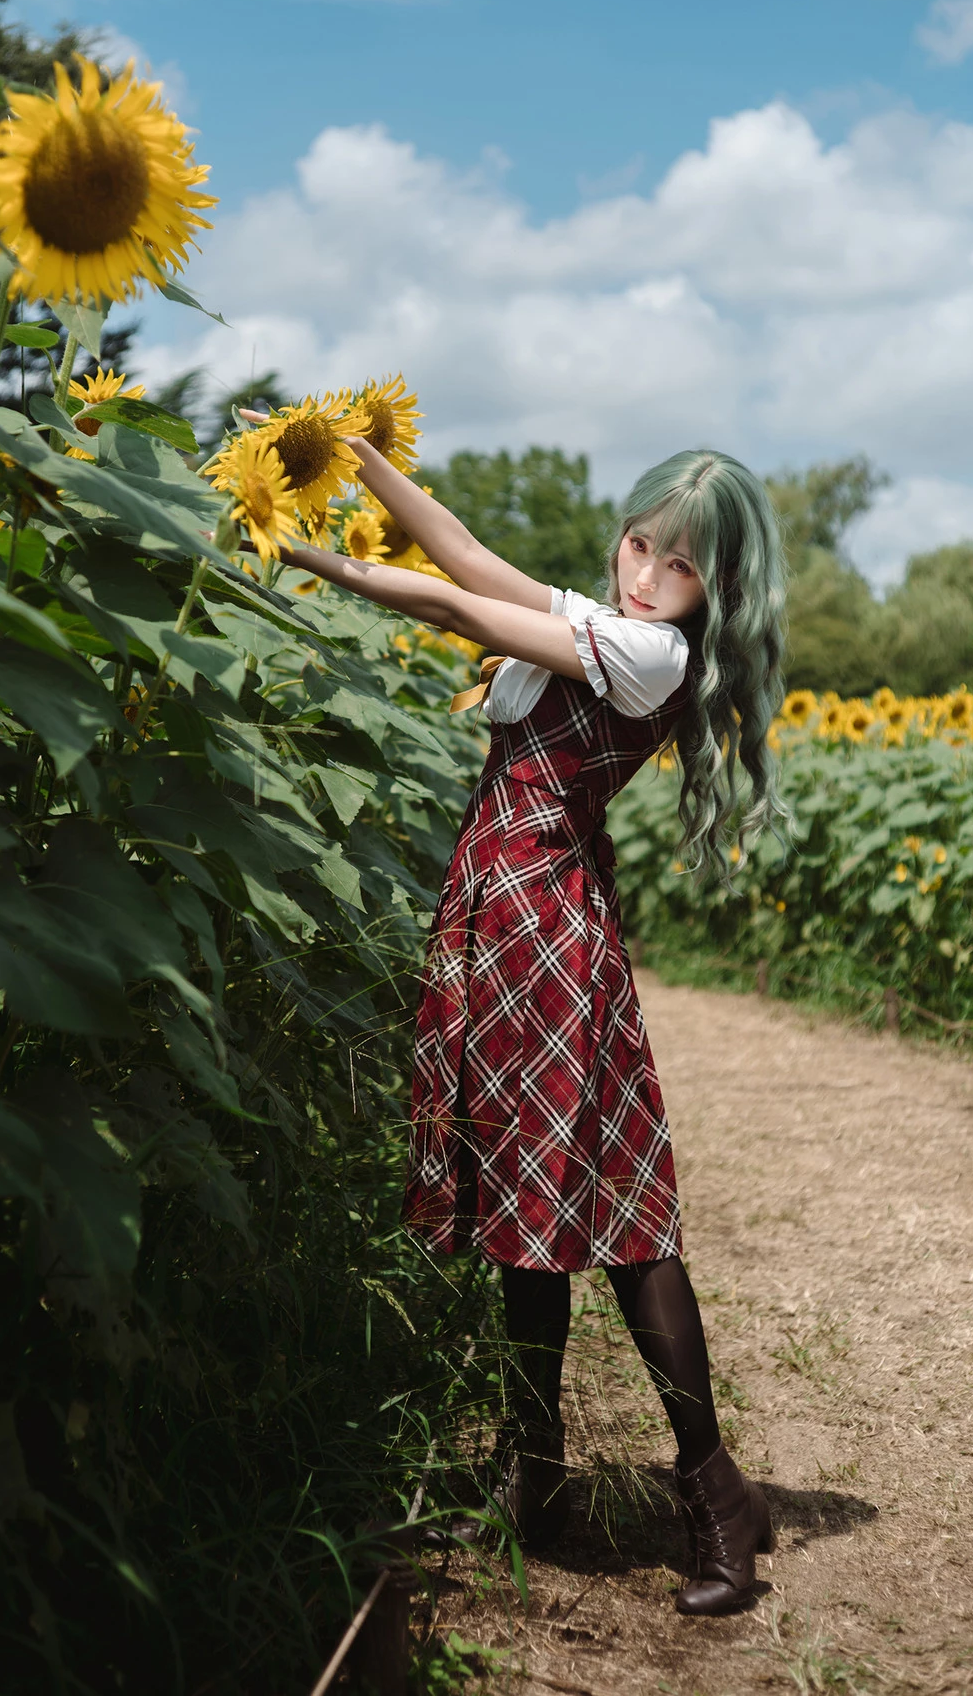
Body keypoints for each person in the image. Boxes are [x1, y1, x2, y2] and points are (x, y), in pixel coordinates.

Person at [237, 419, 786, 1615]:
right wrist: (348, 455)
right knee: (522, 1211)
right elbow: (466, 551)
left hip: (547, 937)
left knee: (623, 1216)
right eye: (639, 546)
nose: (644, 576)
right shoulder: (603, 624)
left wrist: (306, 556)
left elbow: (461, 611)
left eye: (677, 566)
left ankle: (715, 1493)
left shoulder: (648, 658)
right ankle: (536, 1469)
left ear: (714, 589)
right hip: (503, 921)